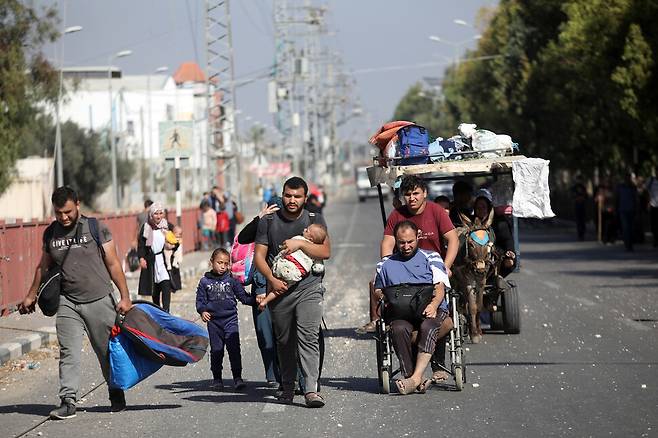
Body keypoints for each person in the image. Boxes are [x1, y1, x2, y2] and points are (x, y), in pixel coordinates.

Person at [18, 186, 132, 419]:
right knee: (68, 351)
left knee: (105, 351)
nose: (64, 217)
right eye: (59, 213)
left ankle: (115, 390)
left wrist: (125, 296)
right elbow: (43, 266)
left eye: (68, 211)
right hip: (68, 301)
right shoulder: (51, 233)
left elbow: (113, 263)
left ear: (77, 204)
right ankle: (68, 400)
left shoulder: (95, 228)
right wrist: (31, 294)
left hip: (100, 299)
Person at [358, 175, 458, 384]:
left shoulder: (436, 212)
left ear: (424, 194)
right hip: (403, 271)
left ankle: (437, 363)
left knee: (433, 316)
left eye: (416, 193)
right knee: (390, 307)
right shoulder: (397, 215)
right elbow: (387, 244)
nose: (412, 198)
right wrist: (389, 268)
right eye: (408, 194)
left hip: (432, 269)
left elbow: (452, 240)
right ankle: (410, 372)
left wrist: (444, 268)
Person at [254, 176, 331, 407]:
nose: (292, 200)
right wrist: (271, 280)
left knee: (308, 336)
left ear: (305, 198)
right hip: (280, 289)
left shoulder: (314, 219)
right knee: (285, 341)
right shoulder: (268, 221)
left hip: (309, 289)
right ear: (282, 194)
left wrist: (301, 244)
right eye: (288, 195)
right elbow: (259, 256)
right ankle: (287, 386)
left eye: (297, 196)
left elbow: (326, 251)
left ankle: (310, 390)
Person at [374, 220, 453, 394]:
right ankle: (413, 377)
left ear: (417, 236)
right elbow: (378, 290)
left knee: (428, 325)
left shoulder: (431, 257)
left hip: (431, 308)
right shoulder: (385, 264)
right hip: (401, 312)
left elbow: (440, 287)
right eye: (402, 242)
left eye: (410, 241)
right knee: (398, 328)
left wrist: (433, 305)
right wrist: (387, 297)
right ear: (395, 240)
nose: (407, 246)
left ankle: (415, 378)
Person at [196, 248, 255, 390]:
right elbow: (200, 301)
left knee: (234, 349)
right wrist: (202, 311)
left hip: (230, 320)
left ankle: (237, 378)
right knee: (217, 350)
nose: (222, 266)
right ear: (212, 262)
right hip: (214, 323)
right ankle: (217, 379)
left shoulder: (232, 281)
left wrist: (259, 300)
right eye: (219, 263)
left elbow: (243, 297)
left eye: (226, 263)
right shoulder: (204, 282)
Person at [237, 200, 282, 387]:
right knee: (265, 334)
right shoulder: (263, 226)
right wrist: (260, 218)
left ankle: (292, 376)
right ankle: (272, 376)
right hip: (261, 289)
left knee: (287, 335)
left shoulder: (294, 227)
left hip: (286, 287)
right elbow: (243, 237)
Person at [259, 224, 327, 309]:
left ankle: (265, 293)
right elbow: (318, 265)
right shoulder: (315, 251)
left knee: (272, 277)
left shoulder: (298, 239)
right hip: (295, 273)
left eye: (307, 231)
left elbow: (286, 246)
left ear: (310, 238)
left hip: (285, 263)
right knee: (280, 289)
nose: (305, 229)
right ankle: (266, 301)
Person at [138, 203, 174, 312]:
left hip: (163, 260)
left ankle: (166, 311)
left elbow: (175, 238)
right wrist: (141, 258)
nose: (158, 216)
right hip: (151, 260)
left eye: (160, 213)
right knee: (155, 288)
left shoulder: (167, 226)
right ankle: (158, 311)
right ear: (151, 215)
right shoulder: (146, 227)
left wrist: (173, 245)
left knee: (166, 283)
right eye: (156, 214)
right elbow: (141, 244)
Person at [472, 189, 516, 277]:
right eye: (478, 208)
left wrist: (509, 254)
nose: (481, 210)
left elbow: (507, 241)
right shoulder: (470, 223)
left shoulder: (500, 223)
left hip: (495, 259)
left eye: (484, 207)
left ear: (489, 208)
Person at [616, 172, 638, 251]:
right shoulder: (620, 187)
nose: (627, 179)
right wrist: (616, 209)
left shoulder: (633, 187)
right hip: (623, 210)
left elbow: (636, 199)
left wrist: (637, 210)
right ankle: (627, 245)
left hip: (631, 210)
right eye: (626, 178)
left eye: (628, 178)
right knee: (625, 228)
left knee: (631, 228)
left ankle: (630, 244)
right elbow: (617, 198)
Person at [571, 175, 588, 241]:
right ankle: (579, 235)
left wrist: (583, 198)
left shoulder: (583, 187)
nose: (579, 181)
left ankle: (583, 234)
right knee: (578, 221)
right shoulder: (574, 188)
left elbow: (586, 196)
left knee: (583, 221)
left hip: (583, 205)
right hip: (577, 206)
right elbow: (572, 196)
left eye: (580, 180)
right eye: (578, 179)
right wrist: (577, 198)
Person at [646, 170, 658, 247]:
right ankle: (655, 239)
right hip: (653, 205)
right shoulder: (651, 180)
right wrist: (648, 202)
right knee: (653, 224)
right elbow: (646, 191)